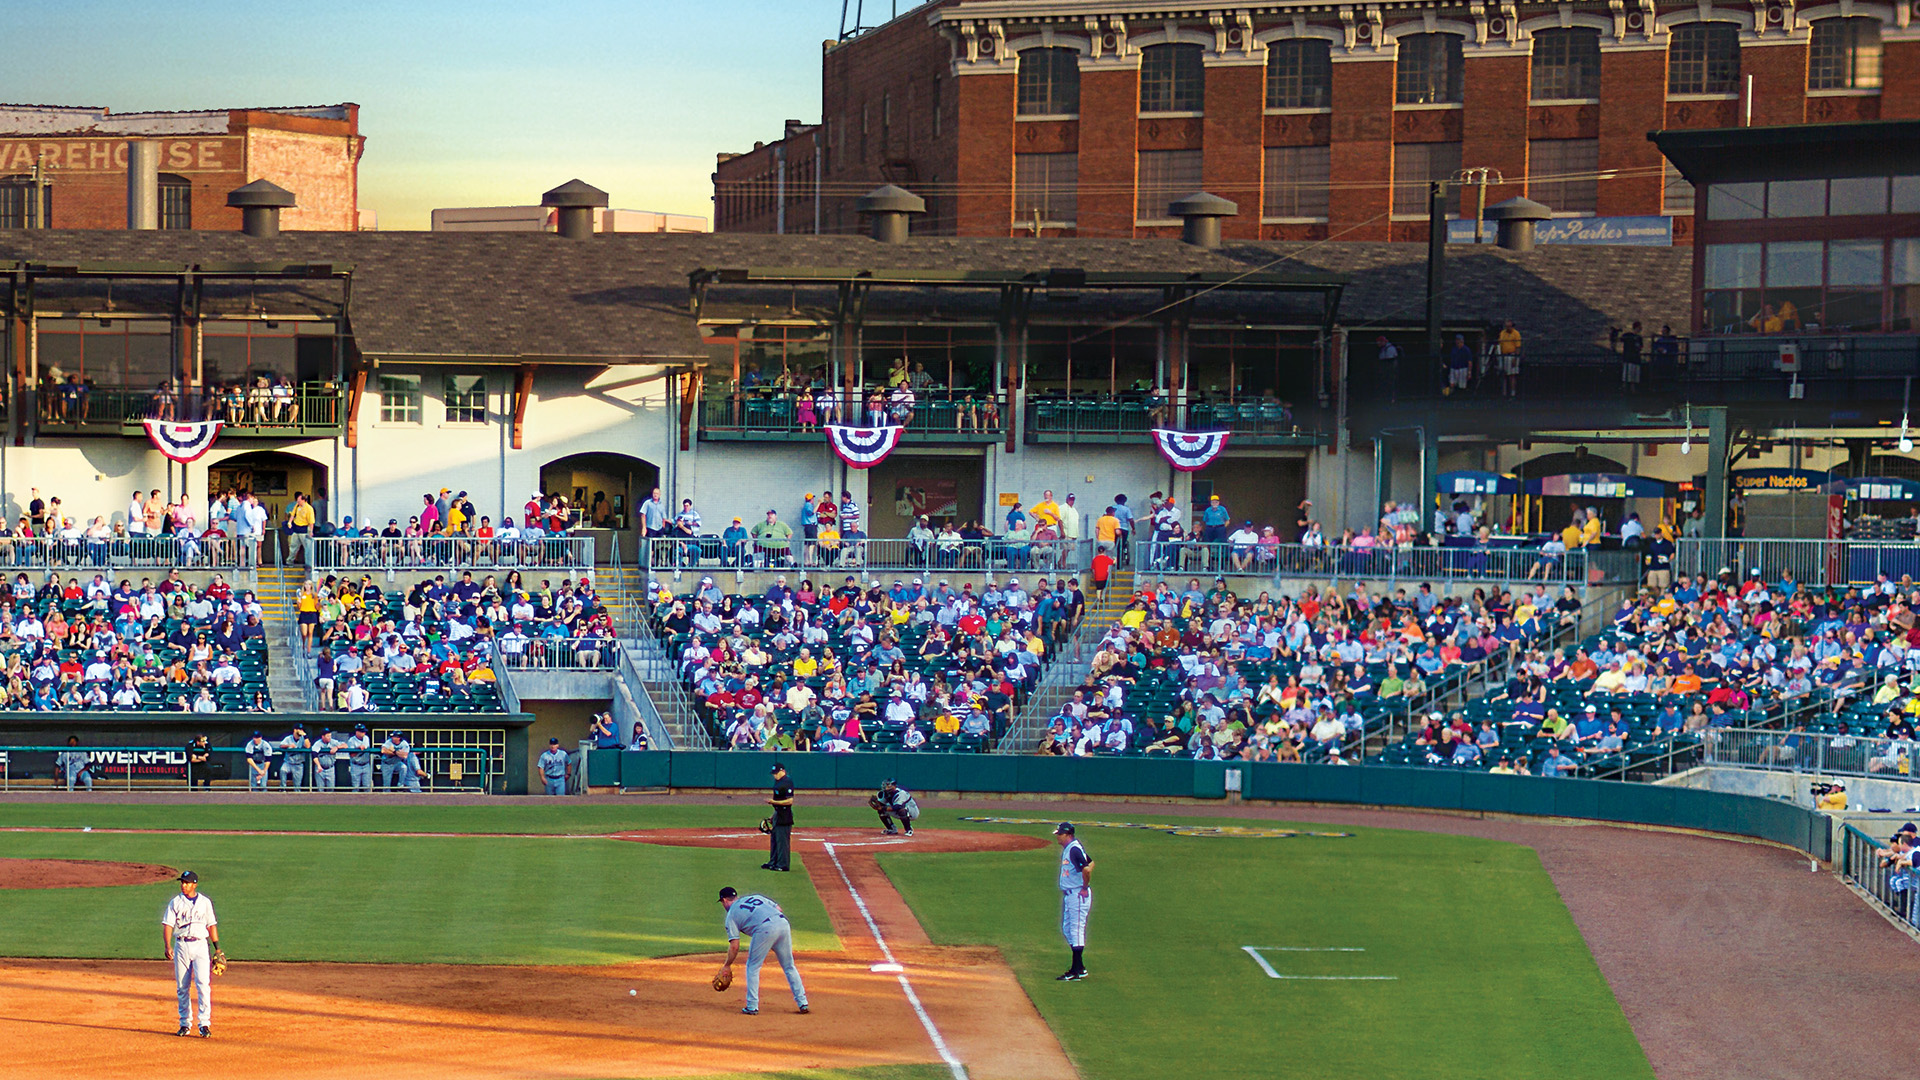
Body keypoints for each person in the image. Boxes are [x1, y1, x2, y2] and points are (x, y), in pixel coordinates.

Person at [715, 886, 809, 1016]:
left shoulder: (731, 915)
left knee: (753, 966)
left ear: (724, 900)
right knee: (789, 966)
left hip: (765, 929)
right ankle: (802, 1002)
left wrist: (727, 965)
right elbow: (778, 909)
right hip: (783, 923)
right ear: (736, 897)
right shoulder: (755, 897)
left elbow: (734, 946)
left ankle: (752, 1006)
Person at [161, 869, 219, 1037]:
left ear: (195, 884)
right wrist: (167, 945)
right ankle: (184, 1023)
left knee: (203, 985)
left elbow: (211, 925)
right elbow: (168, 925)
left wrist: (218, 948)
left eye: (186, 883)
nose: (183, 886)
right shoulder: (175, 902)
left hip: (201, 946)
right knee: (182, 987)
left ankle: (204, 1024)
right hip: (182, 946)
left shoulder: (205, 902)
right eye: (182, 882)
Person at [1054, 821, 1093, 981]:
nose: (1058, 837)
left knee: (1076, 931)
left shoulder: (1074, 849)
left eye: (1060, 834)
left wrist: (1084, 886)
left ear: (1068, 835)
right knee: (1067, 929)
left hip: (1078, 894)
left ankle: (1075, 971)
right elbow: (1090, 862)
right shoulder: (1072, 848)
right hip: (1071, 895)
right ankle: (1080, 967)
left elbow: (1086, 868)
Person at [763, 762, 795, 871]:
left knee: (782, 841)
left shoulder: (787, 782)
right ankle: (773, 862)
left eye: (776, 773)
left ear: (783, 771)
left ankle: (783, 865)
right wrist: (773, 815)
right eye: (774, 773)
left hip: (785, 816)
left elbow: (790, 801)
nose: (774, 775)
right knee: (775, 839)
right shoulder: (778, 782)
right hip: (778, 813)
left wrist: (773, 802)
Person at [277, 724, 310, 791]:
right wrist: (289, 745)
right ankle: (283, 788)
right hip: (288, 762)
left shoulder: (303, 738)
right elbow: (281, 745)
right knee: (283, 770)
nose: (300, 731)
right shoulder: (288, 738)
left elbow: (308, 746)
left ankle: (297, 796)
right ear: (295, 730)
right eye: (299, 729)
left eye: (301, 729)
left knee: (297, 786)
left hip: (298, 764)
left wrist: (305, 736)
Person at [345, 723, 374, 792]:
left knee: (367, 786)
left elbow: (365, 747)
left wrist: (361, 748)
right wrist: (357, 749)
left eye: (364, 731)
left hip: (366, 764)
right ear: (357, 732)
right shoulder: (351, 740)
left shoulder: (366, 738)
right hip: (356, 765)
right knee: (355, 787)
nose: (363, 733)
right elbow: (351, 754)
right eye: (361, 731)